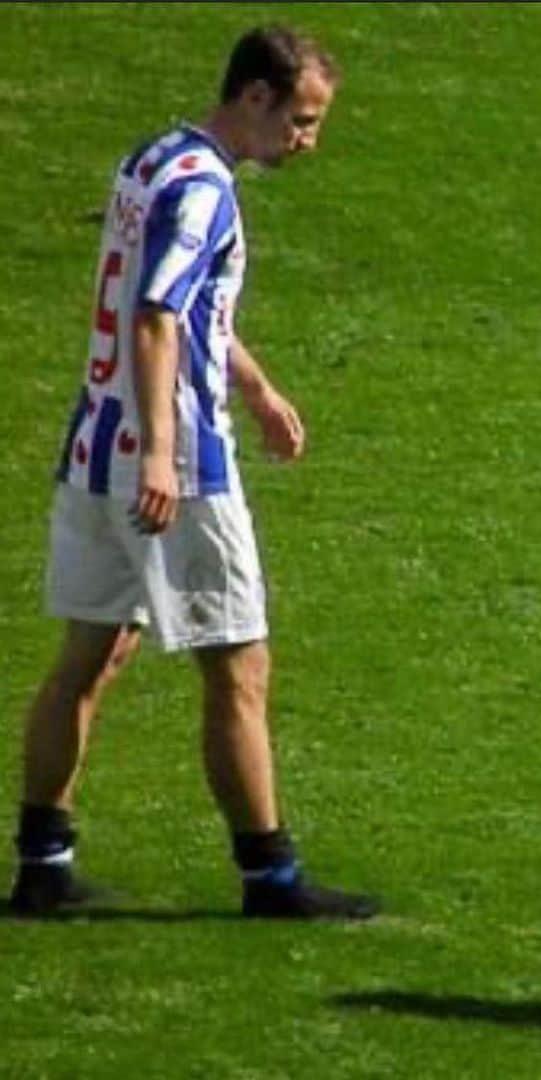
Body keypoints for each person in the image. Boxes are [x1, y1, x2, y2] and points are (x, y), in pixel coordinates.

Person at [10, 26, 377, 920]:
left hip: (92, 452)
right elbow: (155, 318)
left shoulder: (154, 159)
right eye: (300, 119)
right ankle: (271, 876)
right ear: (253, 96)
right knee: (239, 668)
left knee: (89, 657)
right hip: (177, 474)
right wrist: (168, 454)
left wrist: (256, 387)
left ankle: (41, 862)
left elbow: (182, 303)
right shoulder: (207, 191)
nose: (307, 140)